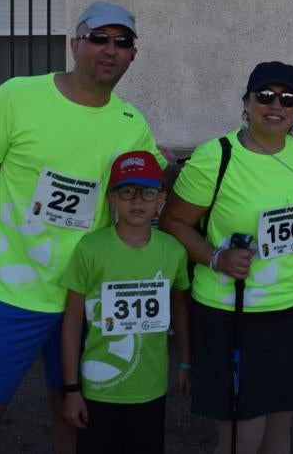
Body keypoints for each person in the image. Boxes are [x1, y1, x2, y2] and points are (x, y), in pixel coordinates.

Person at [0, 1, 167, 454]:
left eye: (122, 42)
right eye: (98, 38)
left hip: (84, 302)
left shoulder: (131, 125)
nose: (110, 50)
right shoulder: (17, 96)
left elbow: (162, 184)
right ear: (74, 44)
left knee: (73, 421)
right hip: (7, 295)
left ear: (132, 56)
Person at [160, 61, 293, 454]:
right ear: (247, 100)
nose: (276, 105)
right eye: (265, 96)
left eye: (287, 98)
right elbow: (173, 220)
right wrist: (215, 257)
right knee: (243, 433)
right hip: (233, 314)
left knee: (280, 427)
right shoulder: (215, 156)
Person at [60, 151, 190, 453]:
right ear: (111, 198)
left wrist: (186, 360)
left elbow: (180, 304)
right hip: (99, 385)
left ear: (161, 200)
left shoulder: (173, 251)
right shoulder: (90, 248)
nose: (137, 201)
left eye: (148, 193)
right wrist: (71, 388)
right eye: (127, 192)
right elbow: (72, 319)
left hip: (150, 388)